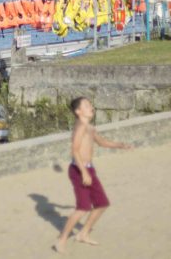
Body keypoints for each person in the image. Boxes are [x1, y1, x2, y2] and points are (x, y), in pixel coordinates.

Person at [54, 96, 131, 254]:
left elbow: (101, 142)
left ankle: (83, 233)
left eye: (91, 105)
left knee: (102, 204)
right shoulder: (80, 126)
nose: (92, 107)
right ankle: (61, 241)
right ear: (78, 111)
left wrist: (119, 145)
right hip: (78, 170)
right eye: (87, 105)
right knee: (82, 208)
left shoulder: (89, 127)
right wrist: (83, 172)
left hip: (89, 169)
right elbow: (74, 150)